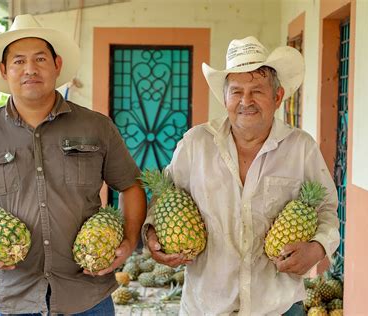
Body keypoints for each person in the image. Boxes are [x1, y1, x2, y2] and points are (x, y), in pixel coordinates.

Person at [0, 14, 146, 315]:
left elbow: (130, 185)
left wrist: (129, 241)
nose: (30, 70)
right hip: (15, 295)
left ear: (57, 65)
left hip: (86, 295)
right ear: (4, 70)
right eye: (19, 61)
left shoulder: (96, 127)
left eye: (40, 59)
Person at [143, 36, 340, 315]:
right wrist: (153, 235)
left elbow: (327, 210)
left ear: (278, 96)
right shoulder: (195, 144)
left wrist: (318, 248)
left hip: (279, 307)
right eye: (236, 91)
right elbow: (162, 200)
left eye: (257, 90)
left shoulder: (301, 148)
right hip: (206, 306)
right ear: (224, 98)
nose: (246, 101)